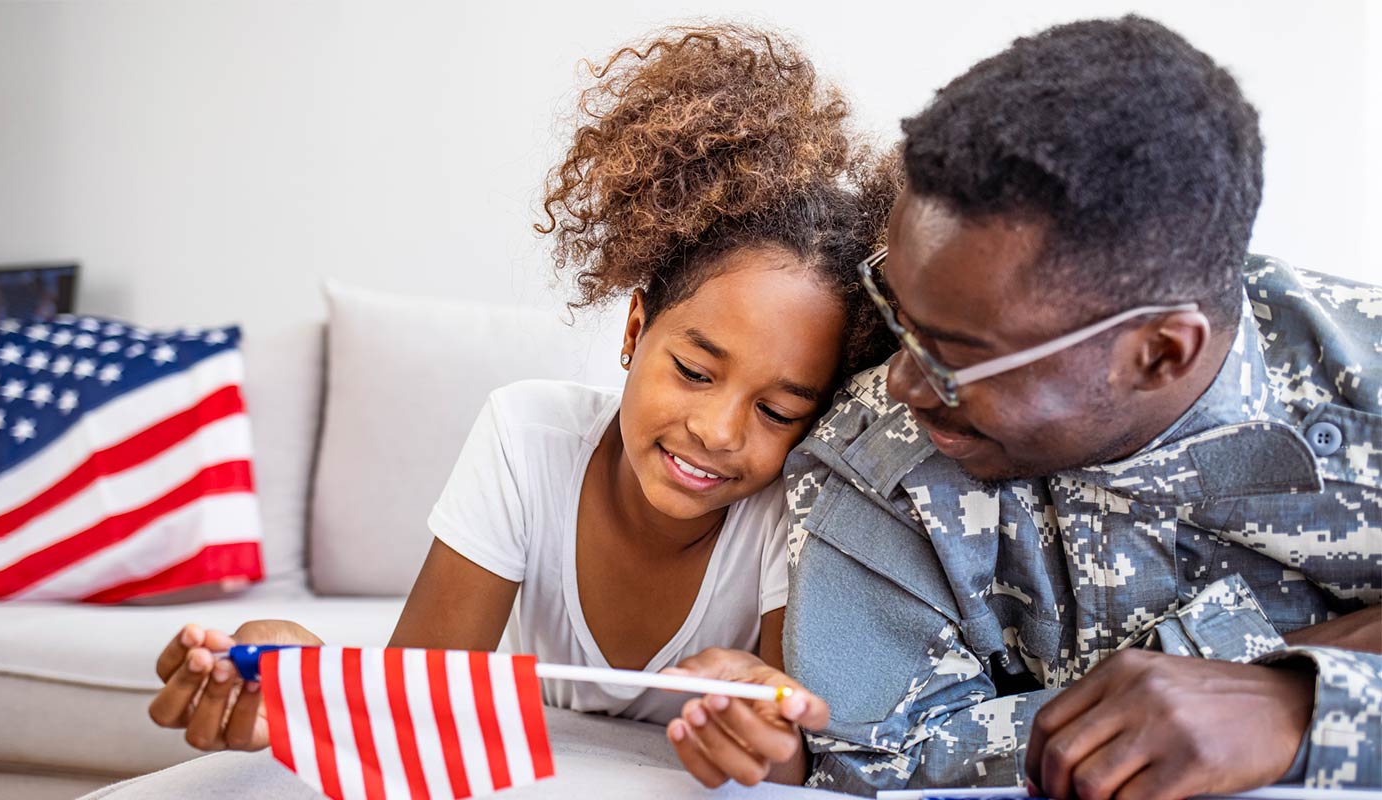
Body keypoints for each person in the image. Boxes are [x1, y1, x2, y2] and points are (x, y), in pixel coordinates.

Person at [662, 16, 1381, 796]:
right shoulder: (880, 465)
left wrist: (1306, 704)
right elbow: (877, 766)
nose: (901, 381)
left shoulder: (1363, 383)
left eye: (956, 355)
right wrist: (1286, 654)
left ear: (1161, 352)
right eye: (895, 308)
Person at [147, 23, 900, 755]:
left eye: (777, 410)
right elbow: (411, 702)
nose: (719, 430)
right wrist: (286, 667)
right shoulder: (526, 440)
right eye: (695, 373)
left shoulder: (789, 507)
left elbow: (796, 758)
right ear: (635, 328)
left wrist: (761, 725)